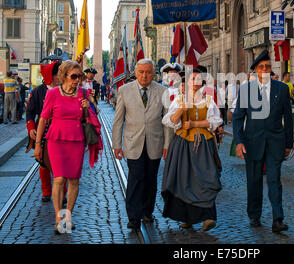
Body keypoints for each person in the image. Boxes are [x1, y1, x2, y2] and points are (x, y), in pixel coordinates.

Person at [34, 60, 101, 233]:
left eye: (79, 76)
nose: (77, 80)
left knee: (73, 179)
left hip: (76, 140)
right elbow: (42, 118)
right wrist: (37, 145)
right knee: (58, 179)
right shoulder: (53, 94)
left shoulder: (84, 94)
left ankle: (68, 215)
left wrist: (88, 108)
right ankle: (58, 217)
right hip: (56, 140)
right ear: (64, 76)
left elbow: (93, 119)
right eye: (73, 76)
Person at [232, 49, 294, 233]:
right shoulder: (246, 90)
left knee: (275, 180)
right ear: (255, 71)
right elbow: (237, 118)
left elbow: (288, 118)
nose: (265, 70)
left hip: (276, 143)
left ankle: (278, 219)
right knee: (254, 181)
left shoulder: (281, 88)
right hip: (252, 143)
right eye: (261, 67)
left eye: (268, 66)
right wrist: (239, 142)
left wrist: (289, 143)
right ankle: (254, 215)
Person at [112, 59, 173, 230]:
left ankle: (147, 211)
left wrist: (167, 145)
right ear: (136, 72)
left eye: (148, 72)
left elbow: (167, 122)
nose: (144, 75)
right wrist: (116, 144)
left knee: (151, 179)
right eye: (141, 72)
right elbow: (118, 120)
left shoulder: (163, 91)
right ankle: (133, 217)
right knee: (135, 178)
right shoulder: (124, 91)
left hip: (155, 142)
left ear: (153, 73)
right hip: (133, 143)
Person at [161, 68, 223, 231]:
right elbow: (170, 121)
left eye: (198, 79)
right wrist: (183, 108)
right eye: (192, 79)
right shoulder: (179, 100)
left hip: (203, 143)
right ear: (186, 83)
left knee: (205, 178)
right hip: (182, 144)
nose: (195, 82)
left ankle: (208, 216)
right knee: (183, 180)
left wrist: (196, 124)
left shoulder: (208, 100)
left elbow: (215, 121)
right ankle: (186, 217)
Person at [26, 61, 67, 203]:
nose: (60, 77)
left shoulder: (65, 89)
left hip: (61, 129)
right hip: (43, 129)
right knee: (43, 162)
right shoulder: (38, 91)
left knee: (63, 161)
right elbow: (30, 112)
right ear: (51, 75)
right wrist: (31, 127)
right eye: (57, 74)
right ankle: (46, 191)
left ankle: (63, 191)